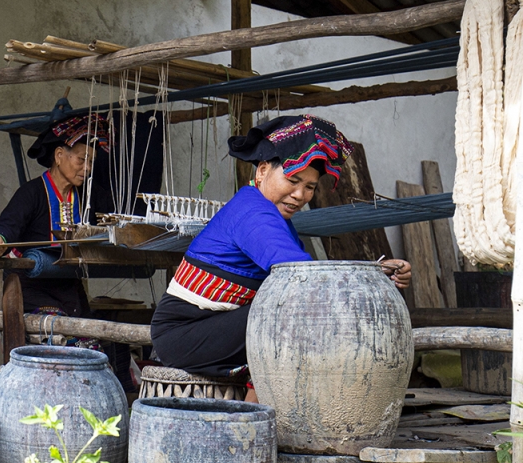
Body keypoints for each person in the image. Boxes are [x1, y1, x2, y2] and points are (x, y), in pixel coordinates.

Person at [150, 115, 413, 400]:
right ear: (262, 171)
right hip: (186, 334)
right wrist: (369, 276)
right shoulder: (253, 213)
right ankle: (255, 418)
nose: (301, 195)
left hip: (215, 328)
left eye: (310, 187)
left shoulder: (275, 217)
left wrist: (375, 272)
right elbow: (303, 279)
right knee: (292, 312)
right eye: (293, 179)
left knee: (293, 310)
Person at [0, 113, 111, 319]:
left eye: (91, 162)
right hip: (31, 286)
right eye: (82, 159)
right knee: (58, 335)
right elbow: (9, 224)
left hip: (68, 285)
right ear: (59, 156)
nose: (87, 168)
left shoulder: (89, 197)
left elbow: (109, 223)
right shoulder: (32, 193)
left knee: (90, 343)